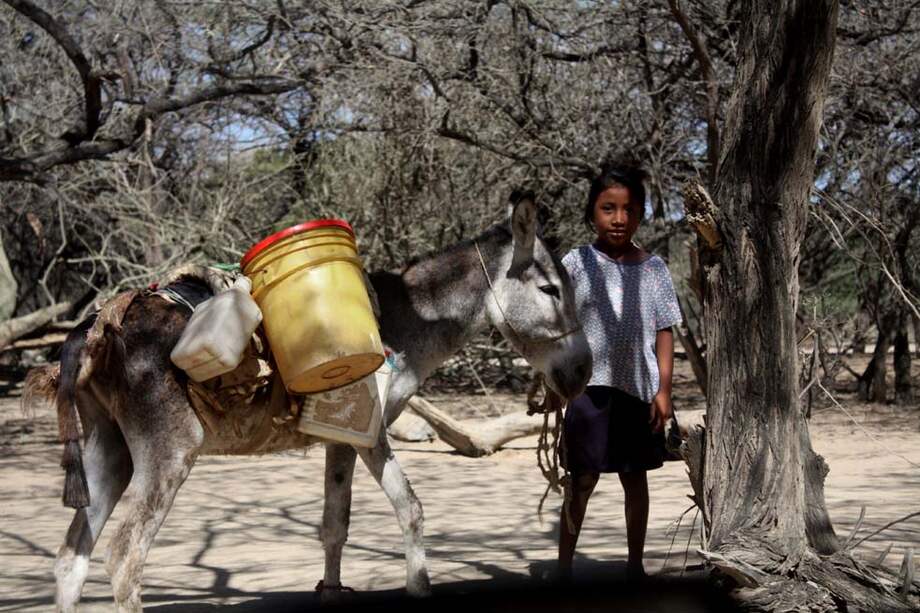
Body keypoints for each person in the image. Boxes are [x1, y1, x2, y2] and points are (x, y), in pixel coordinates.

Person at [555, 162, 682, 582]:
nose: (619, 219)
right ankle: (564, 568)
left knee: (635, 478)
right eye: (608, 208)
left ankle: (634, 567)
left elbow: (665, 330)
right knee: (581, 478)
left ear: (641, 214)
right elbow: (556, 323)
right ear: (592, 212)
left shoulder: (654, 268)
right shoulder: (575, 263)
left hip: (638, 390)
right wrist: (555, 382)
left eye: (629, 209)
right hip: (587, 389)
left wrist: (663, 391)